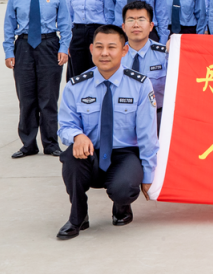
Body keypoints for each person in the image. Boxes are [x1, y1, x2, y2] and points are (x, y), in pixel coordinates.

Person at [56, 25, 158, 240]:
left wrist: (149, 175)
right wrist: (77, 136)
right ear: (91, 49)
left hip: (125, 154)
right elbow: (65, 125)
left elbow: (147, 135)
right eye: (99, 47)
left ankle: (122, 206)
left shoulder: (140, 85)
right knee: (71, 158)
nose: (104, 53)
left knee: (124, 189)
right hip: (90, 153)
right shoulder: (76, 86)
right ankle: (78, 216)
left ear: (124, 50)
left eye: (111, 47)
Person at [3, 0, 72, 159]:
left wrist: (63, 48)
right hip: (23, 46)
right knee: (26, 98)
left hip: (49, 45)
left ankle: (50, 144)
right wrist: (9, 51)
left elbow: (65, 25)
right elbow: (9, 27)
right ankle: (28, 144)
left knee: (48, 98)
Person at [121, 1, 168, 130]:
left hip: (158, 118)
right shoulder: (115, 55)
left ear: (151, 26)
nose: (136, 24)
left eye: (141, 19)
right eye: (131, 20)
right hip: (123, 120)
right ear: (123, 27)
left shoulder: (164, 55)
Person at [66, 0, 108, 77]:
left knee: (96, 68)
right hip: (77, 32)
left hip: (97, 31)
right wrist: (67, 40)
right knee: (77, 70)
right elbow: (69, 16)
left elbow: (108, 14)